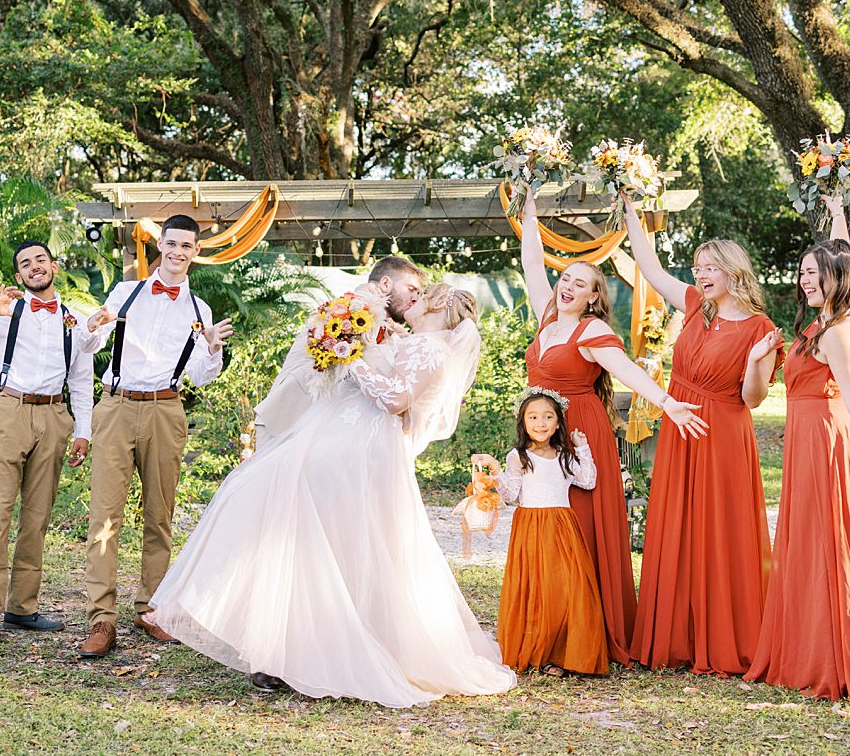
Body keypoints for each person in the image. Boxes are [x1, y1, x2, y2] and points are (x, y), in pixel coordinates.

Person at [145, 284, 518, 707]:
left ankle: (300, 648)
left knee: (317, 533)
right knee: (307, 529)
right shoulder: (414, 342)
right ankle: (280, 643)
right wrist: (346, 345)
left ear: (433, 305)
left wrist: (351, 359)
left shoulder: (430, 349)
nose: (410, 299)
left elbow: (395, 400)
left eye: (419, 295)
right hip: (346, 436)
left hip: (359, 444)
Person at [625, 195, 850, 674]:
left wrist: (751, 362)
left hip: (724, 431)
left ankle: (724, 636)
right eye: (697, 266)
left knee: (719, 532)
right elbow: (649, 265)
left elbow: (753, 399)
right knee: (676, 528)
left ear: (734, 272)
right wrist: (627, 200)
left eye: (710, 267)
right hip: (680, 427)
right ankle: (676, 636)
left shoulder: (762, 328)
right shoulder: (691, 305)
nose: (700, 273)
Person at [518, 191, 704, 667]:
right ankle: (551, 625)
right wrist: (529, 210)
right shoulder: (546, 319)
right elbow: (532, 265)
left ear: (593, 296)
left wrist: (667, 403)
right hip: (542, 433)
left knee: (577, 528)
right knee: (543, 525)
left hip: (581, 434)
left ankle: (585, 633)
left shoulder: (592, 332)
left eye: (580, 283)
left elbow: (626, 370)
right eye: (567, 278)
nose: (567, 286)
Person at [744, 241, 850, 709]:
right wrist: (837, 203)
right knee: (807, 546)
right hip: (806, 442)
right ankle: (809, 652)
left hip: (831, 445)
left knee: (832, 546)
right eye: (802, 271)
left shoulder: (841, 330)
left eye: (816, 273)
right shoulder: (817, 324)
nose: (806, 280)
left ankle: (839, 660)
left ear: (840, 276)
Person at [76, 214, 234, 658]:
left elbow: (202, 377)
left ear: (195, 252)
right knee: (106, 516)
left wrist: (213, 348)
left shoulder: (199, 311)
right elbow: (91, 346)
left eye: (187, 246)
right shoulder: (126, 293)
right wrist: (92, 326)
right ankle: (101, 619)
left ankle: (150, 609)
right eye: (172, 244)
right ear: (159, 246)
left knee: (159, 516)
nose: (178, 252)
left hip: (167, 409)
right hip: (117, 405)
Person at [0, 241, 95, 645]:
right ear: (19, 277)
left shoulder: (74, 322)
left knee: (38, 515)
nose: (34, 267)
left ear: (54, 267)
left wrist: (84, 430)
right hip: (10, 409)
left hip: (56, 415)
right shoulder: (3, 313)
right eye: (25, 264)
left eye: (40, 260)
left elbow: (81, 379)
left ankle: (22, 608)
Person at [474, 388, 607, 677]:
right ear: (523, 421)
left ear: (558, 423)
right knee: (534, 587)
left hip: (562, 526)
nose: (540, 422)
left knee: (564, 587)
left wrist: (582, 448)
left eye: (548, 417)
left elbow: (588, 481)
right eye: (533, 416)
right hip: (531, 527)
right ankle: (537, 651)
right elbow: (510, 494)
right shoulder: (518, 456)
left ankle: (562, 653)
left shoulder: (563, 456)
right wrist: (495, 469)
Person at [251, 255, 425, 448]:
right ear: (385, 283)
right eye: (411, 289)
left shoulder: (388, 333)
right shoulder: (349, 311)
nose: (415, 298)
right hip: (288, 420)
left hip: (325, 434)